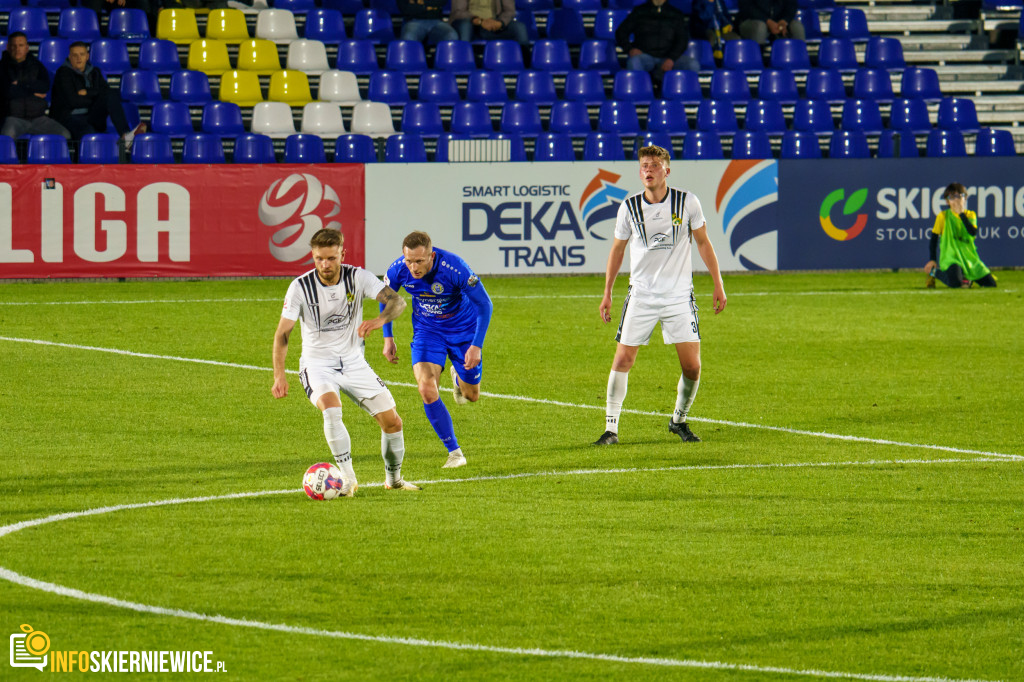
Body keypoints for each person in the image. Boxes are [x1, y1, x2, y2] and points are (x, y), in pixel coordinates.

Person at [594, 145, 727, 446]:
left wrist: (718, 283)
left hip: (679, 296)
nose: (649, 169)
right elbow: (617, 250)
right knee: (623, 359)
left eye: (655, 164)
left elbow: (704, 243)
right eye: (644, 165)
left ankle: (678, 420)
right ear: (639, 171)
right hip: (641, 295)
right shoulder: (628, 208)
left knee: (692, 366)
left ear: (667, 170)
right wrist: (607, 293)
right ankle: (611, 429)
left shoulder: (687, 202)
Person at [272, 228, 421, 496]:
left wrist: (379, 321)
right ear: (313, 256)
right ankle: (348, 478)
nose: (325, 265)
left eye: (331, 258)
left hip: (354, 364)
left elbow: (397, 302)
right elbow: (283, 333)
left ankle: (394, 480)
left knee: (393, 422)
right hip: (317, 365)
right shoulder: (300, 287)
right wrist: (279, 375)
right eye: (319, 259)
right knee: (331, 408)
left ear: (343, 253)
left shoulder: (358, 277)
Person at [381, 231, 494, 469]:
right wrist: (388, 337)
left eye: (419, 261)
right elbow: (387, 298)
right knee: (426, 387)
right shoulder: (397, 270)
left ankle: (457, 377)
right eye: (409, 260)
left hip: (464, 331)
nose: (413, 267)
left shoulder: (455, 268)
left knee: (472, 396)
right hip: (427, 332)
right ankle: (455, 453)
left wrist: (476, 345)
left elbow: (485, 304)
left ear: (431, 256)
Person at [49, 42, 146, 147]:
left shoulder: (95, 72)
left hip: (91, 115)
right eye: (75, 55)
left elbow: (109, 93)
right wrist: (95, 95)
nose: (78, 58)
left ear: (87, 56)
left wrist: (87, 92)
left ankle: (125, 136)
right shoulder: (63, 73)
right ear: (69, 57)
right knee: (89, 133)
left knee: (111, 95)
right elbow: (73, 101)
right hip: (69, 117)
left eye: (81, 54)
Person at [0, 33, 72, 140]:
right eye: (14, 45)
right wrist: (33, 92)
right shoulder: (2, 67)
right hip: (14, 118)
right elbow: (7, 91)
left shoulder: (37, 65)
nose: (17, 49)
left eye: (21, 45)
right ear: (8, 47)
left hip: (39, 118)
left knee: (65, 135)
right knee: (6, 139)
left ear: (27, 47)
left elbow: (44, 87)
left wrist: (19, 85)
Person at [924, 183, 997, 289]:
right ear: (947, 201)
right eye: (952, 197)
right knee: (956, 283)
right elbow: (934, 239)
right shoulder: (943, 216)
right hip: (951, 258)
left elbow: (972, 232)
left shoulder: (970, 215)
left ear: (965, 198)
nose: (956, 200)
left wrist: (961, 214)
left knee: (991, 284)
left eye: (960, 196)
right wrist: (932, 260)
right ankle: (933, 272)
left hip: (969, 258)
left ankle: (966, 279)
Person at [615, 0, 701, 83]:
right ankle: (642, 93)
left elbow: (682, 40)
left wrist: (671, 58)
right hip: (645, 56)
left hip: (668, 56)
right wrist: (629, 49)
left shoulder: (676, 14)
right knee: (634, 62)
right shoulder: (639, 11)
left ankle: (682, 94)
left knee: (693, 65)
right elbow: (621, 32)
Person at [450, 0, 530, 49]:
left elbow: (509, 11)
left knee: (519, 28)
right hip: (471, 22)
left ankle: (525, 64)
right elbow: (458, 12)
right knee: (465, 26)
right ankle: (463, 60)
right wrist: (479, 21)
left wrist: (500, 22)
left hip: (494, 23)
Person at [735, 0, 804, 46]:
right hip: (751, 20)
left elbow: (792, 6)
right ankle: (756, 61)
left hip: (778, 21)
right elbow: (746, 8)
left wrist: (784, 21)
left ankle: (800, 62)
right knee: (760, 27)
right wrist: (767, 21)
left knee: (797, 27)